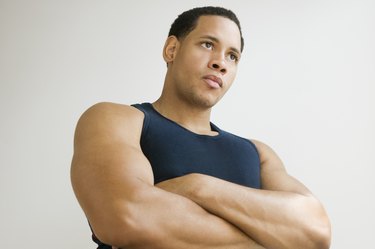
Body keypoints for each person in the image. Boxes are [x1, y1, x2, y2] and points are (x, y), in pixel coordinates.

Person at [70, 6, 331, 249]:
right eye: (208, 44)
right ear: (172, 49)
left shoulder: (257, 153)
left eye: (232, 56)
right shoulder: (117, 119)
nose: (221, 63)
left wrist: (196, 187)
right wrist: (268, 239)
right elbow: (127, 217)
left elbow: (316, 231)